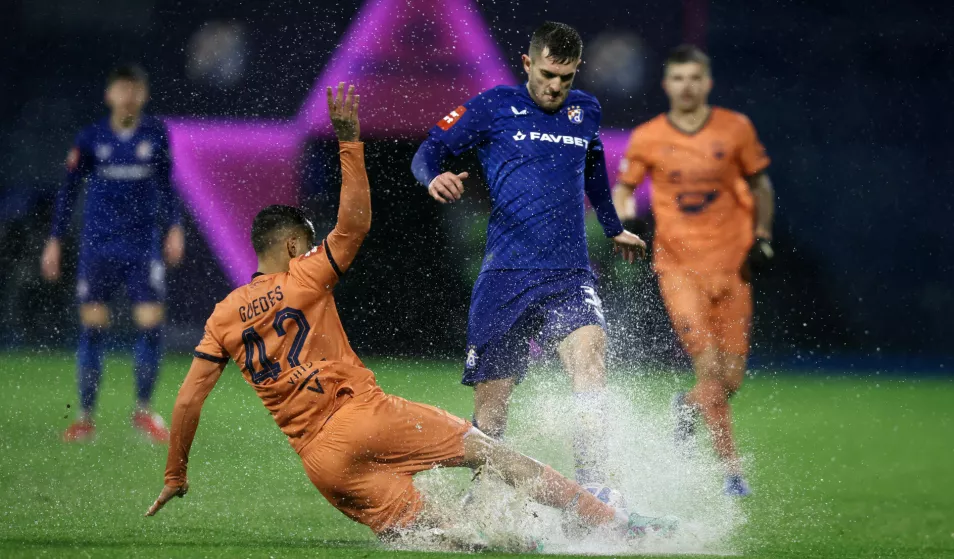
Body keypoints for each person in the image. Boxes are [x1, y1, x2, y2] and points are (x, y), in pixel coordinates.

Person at [144, 84, 676, 545]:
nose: (309, 252)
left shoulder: (223, 317)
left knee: (448, 537)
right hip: (362, 418)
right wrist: (350, 142)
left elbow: (188, 400)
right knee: (492, 453)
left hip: (320, 465)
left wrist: (175, 473)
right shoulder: (305, 277)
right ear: (289, 245)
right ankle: (611, 522)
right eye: (304, 245)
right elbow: (353, 224)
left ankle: (516, 544)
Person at [410, 21, 646, 499]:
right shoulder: (495, 107)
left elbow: (594, 165)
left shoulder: (586, 111)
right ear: (527, 64)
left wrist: (611, 223)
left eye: (566, 77)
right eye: (546, 74)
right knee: (492, 411)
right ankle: (484, 496)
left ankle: (596, 488)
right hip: (505, 277)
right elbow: (428, 150)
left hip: (568, 274)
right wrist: (432, 178)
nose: (556, 86)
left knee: (590, 363)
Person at [612, 45, 776, 496]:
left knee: (730, 380)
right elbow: (623, 188)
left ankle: (685, 408)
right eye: (678, 78)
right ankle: (731, 471)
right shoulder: (647, 136)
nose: (687, 86)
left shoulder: (735, 128)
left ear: (708, 82)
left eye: (695, 78)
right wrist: (626, 221)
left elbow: (761, 184)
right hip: (679, 269)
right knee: (708, 368)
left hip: (733, 267)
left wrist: (763, 237)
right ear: (666, 84)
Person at [42, 64, 184, 443]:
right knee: (93, 326)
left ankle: (143, 411)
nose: (129, 96)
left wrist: (175, 228)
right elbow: (68, 192)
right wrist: (55, 240)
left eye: (135, 90)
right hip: (98, 246)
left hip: (142, 246)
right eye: (122, 89)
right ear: (109, 95)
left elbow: (168, 187)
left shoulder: (156, 135)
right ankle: (85, 418)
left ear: (144, 94)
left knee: (151, 324)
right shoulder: (90, 138)